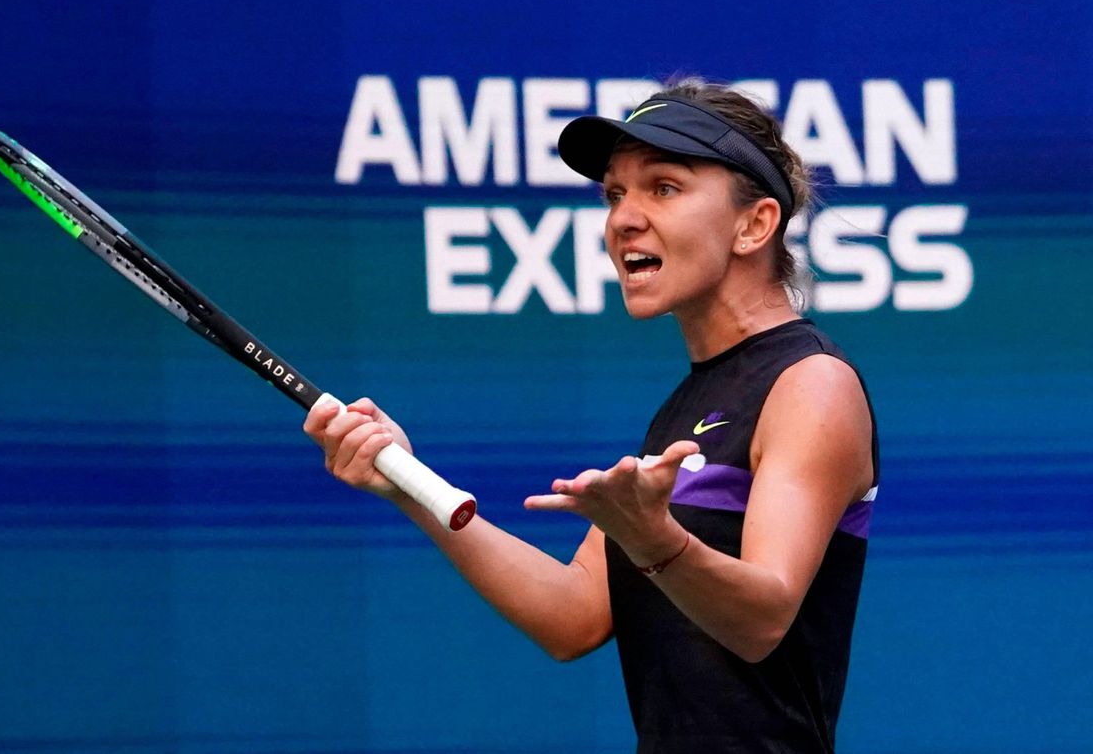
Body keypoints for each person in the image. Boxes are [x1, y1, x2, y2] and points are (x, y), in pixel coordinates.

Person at [304, 78, 878, 754]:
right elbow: (574, 616)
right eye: (614, 194)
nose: (623, 218)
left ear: (754, 224)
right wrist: (407, 484)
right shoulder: (691, 405)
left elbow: (763, 619)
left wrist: (654, 540)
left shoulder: (811, 385)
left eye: (663, 188)